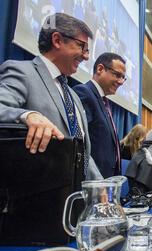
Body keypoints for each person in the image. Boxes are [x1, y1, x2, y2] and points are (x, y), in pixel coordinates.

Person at [0, 13, 101, 180]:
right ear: (57, 40)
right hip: (36, 198)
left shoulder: (74, 96)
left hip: (74, 199)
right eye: (81, 46)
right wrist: (27, 115)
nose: (86, 56)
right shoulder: (23, 72)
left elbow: (81, 151)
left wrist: (99, 185)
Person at [73, 53, 126, 178]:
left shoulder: (104, 102)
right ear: (100, 69)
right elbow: (80, 142)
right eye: (118, 75)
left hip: (106, 182)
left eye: (123, 78)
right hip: (91, 181)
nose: (121, 82)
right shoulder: (84, 93)